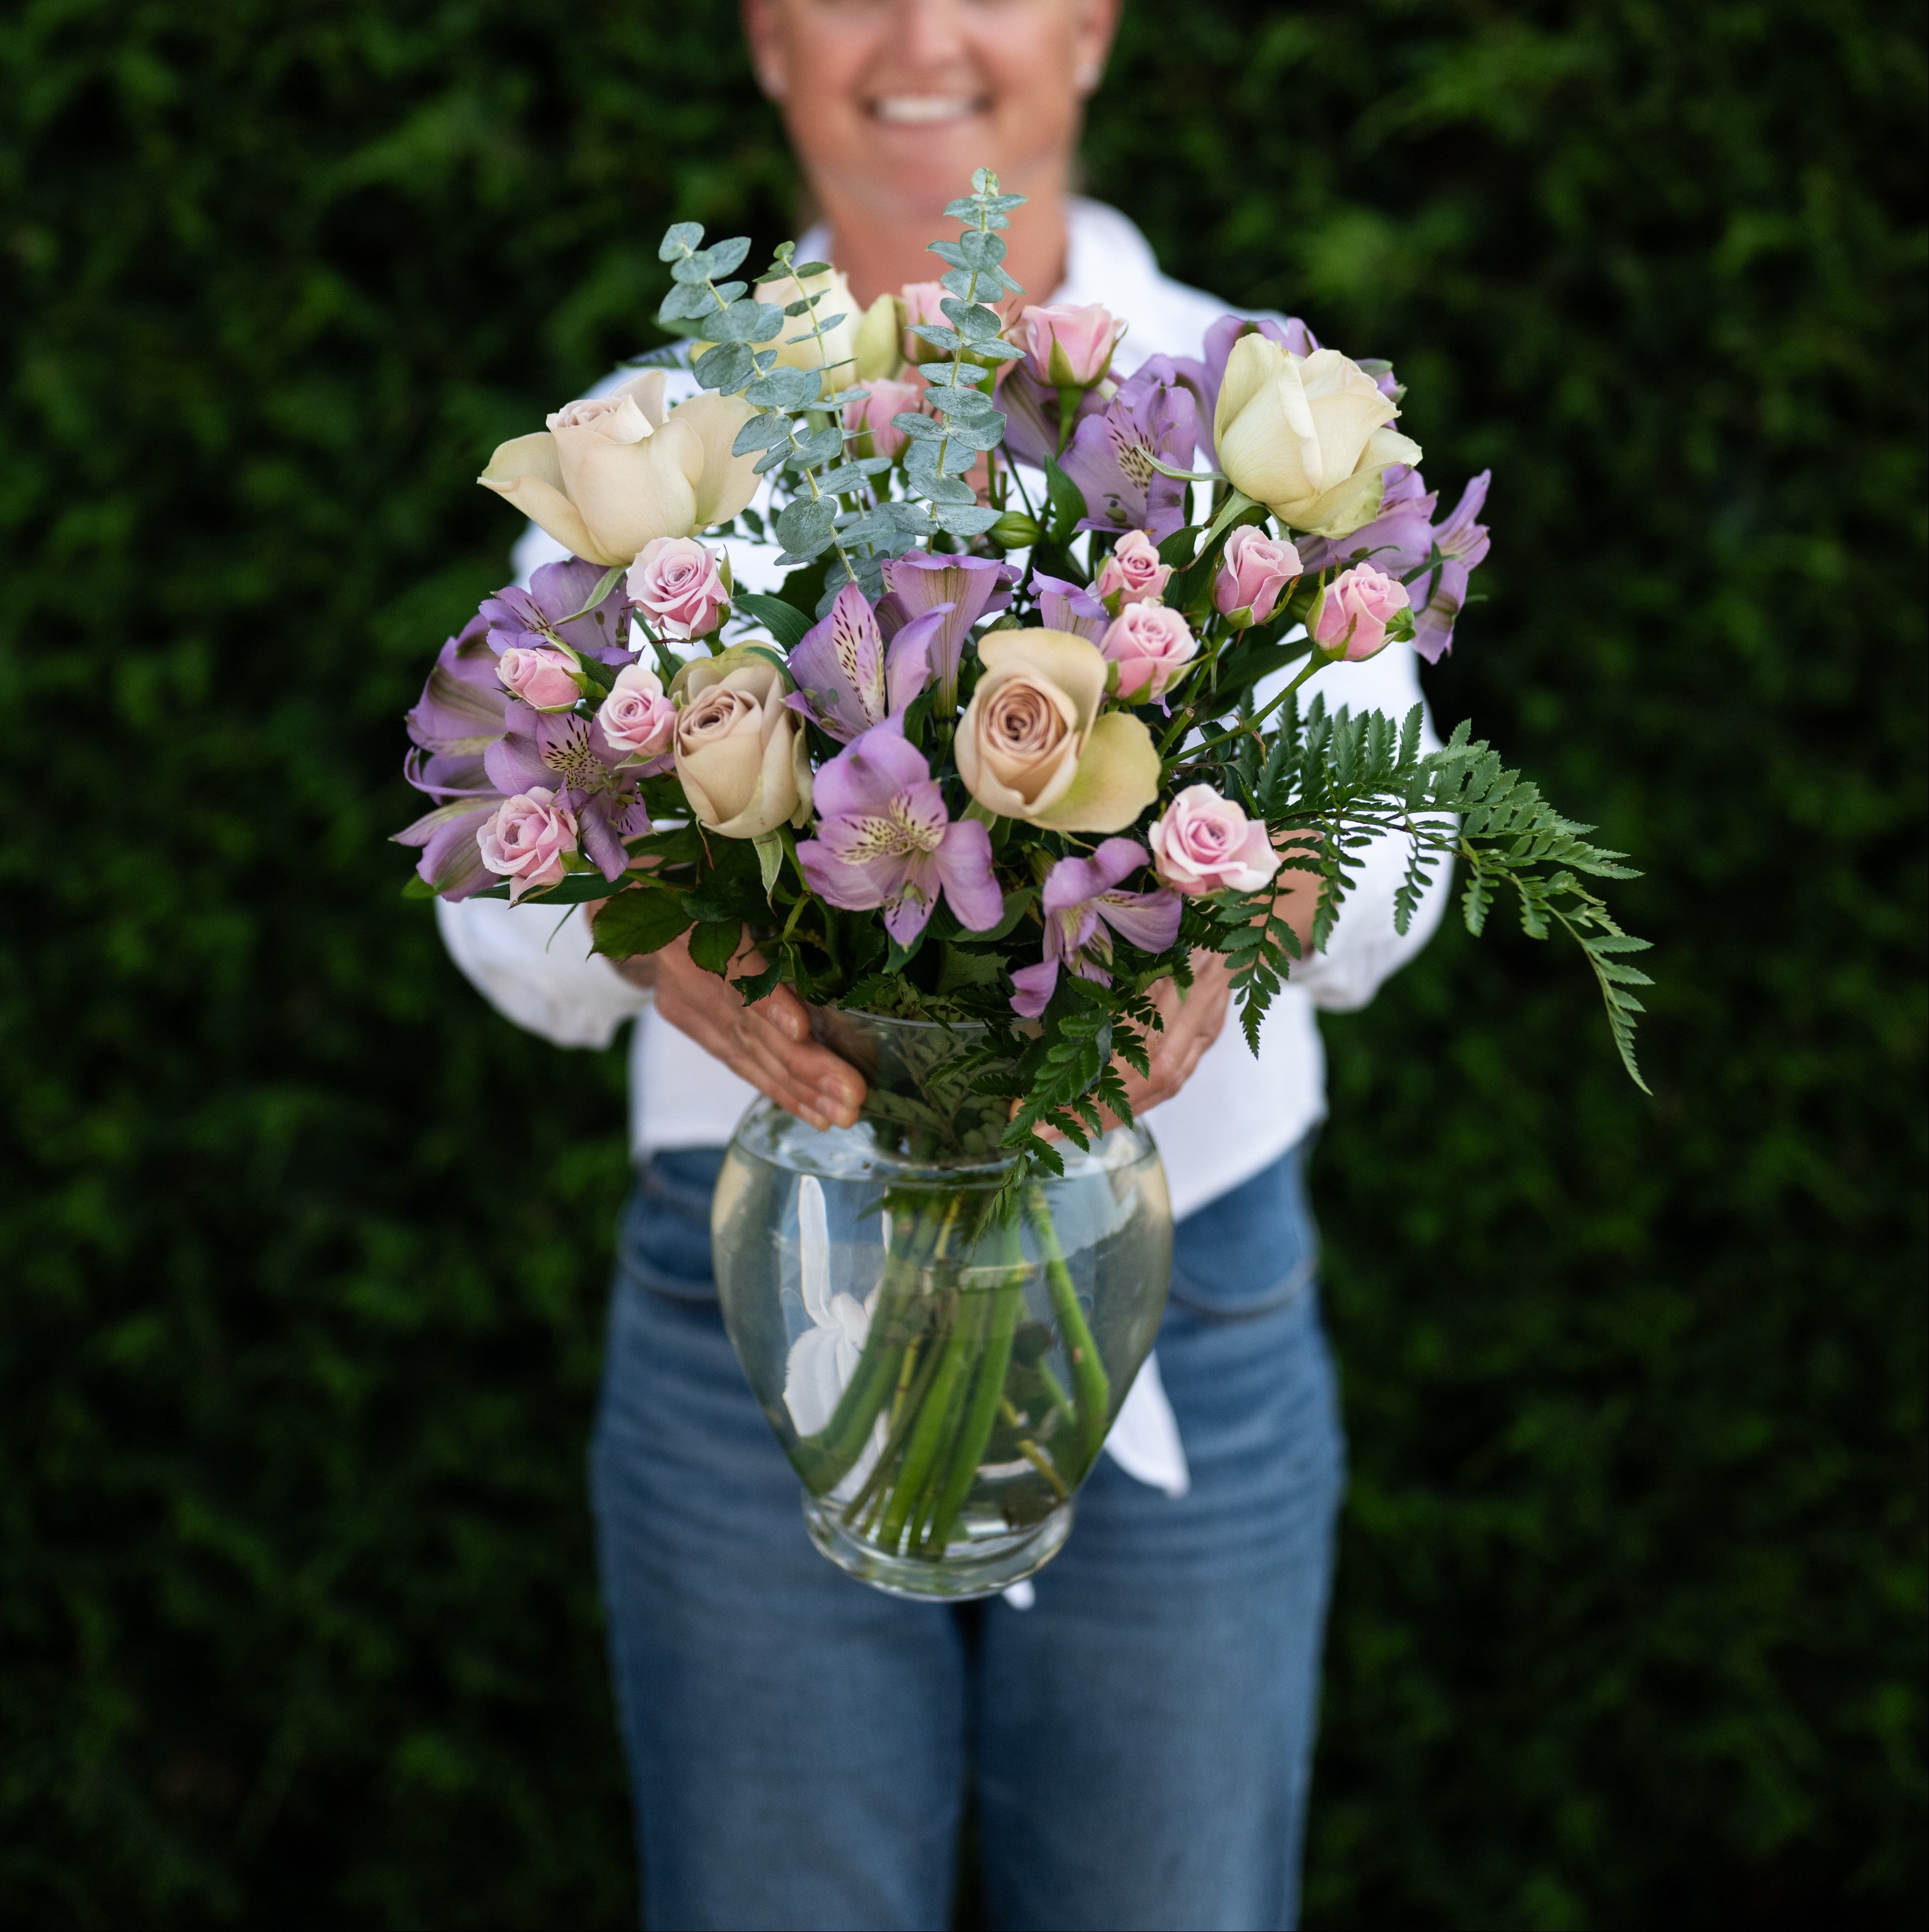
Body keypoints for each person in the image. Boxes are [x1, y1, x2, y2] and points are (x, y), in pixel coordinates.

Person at [438, 3, 1451, 1924]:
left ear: (1090, 24)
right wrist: (657, 946)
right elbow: (505, 901)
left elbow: (1403, 849)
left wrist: (1253, 912)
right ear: (761, 37)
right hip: (760, 1313)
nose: (917, 37)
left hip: (1190, 1306)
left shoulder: (1262, 418)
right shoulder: (650, 443)